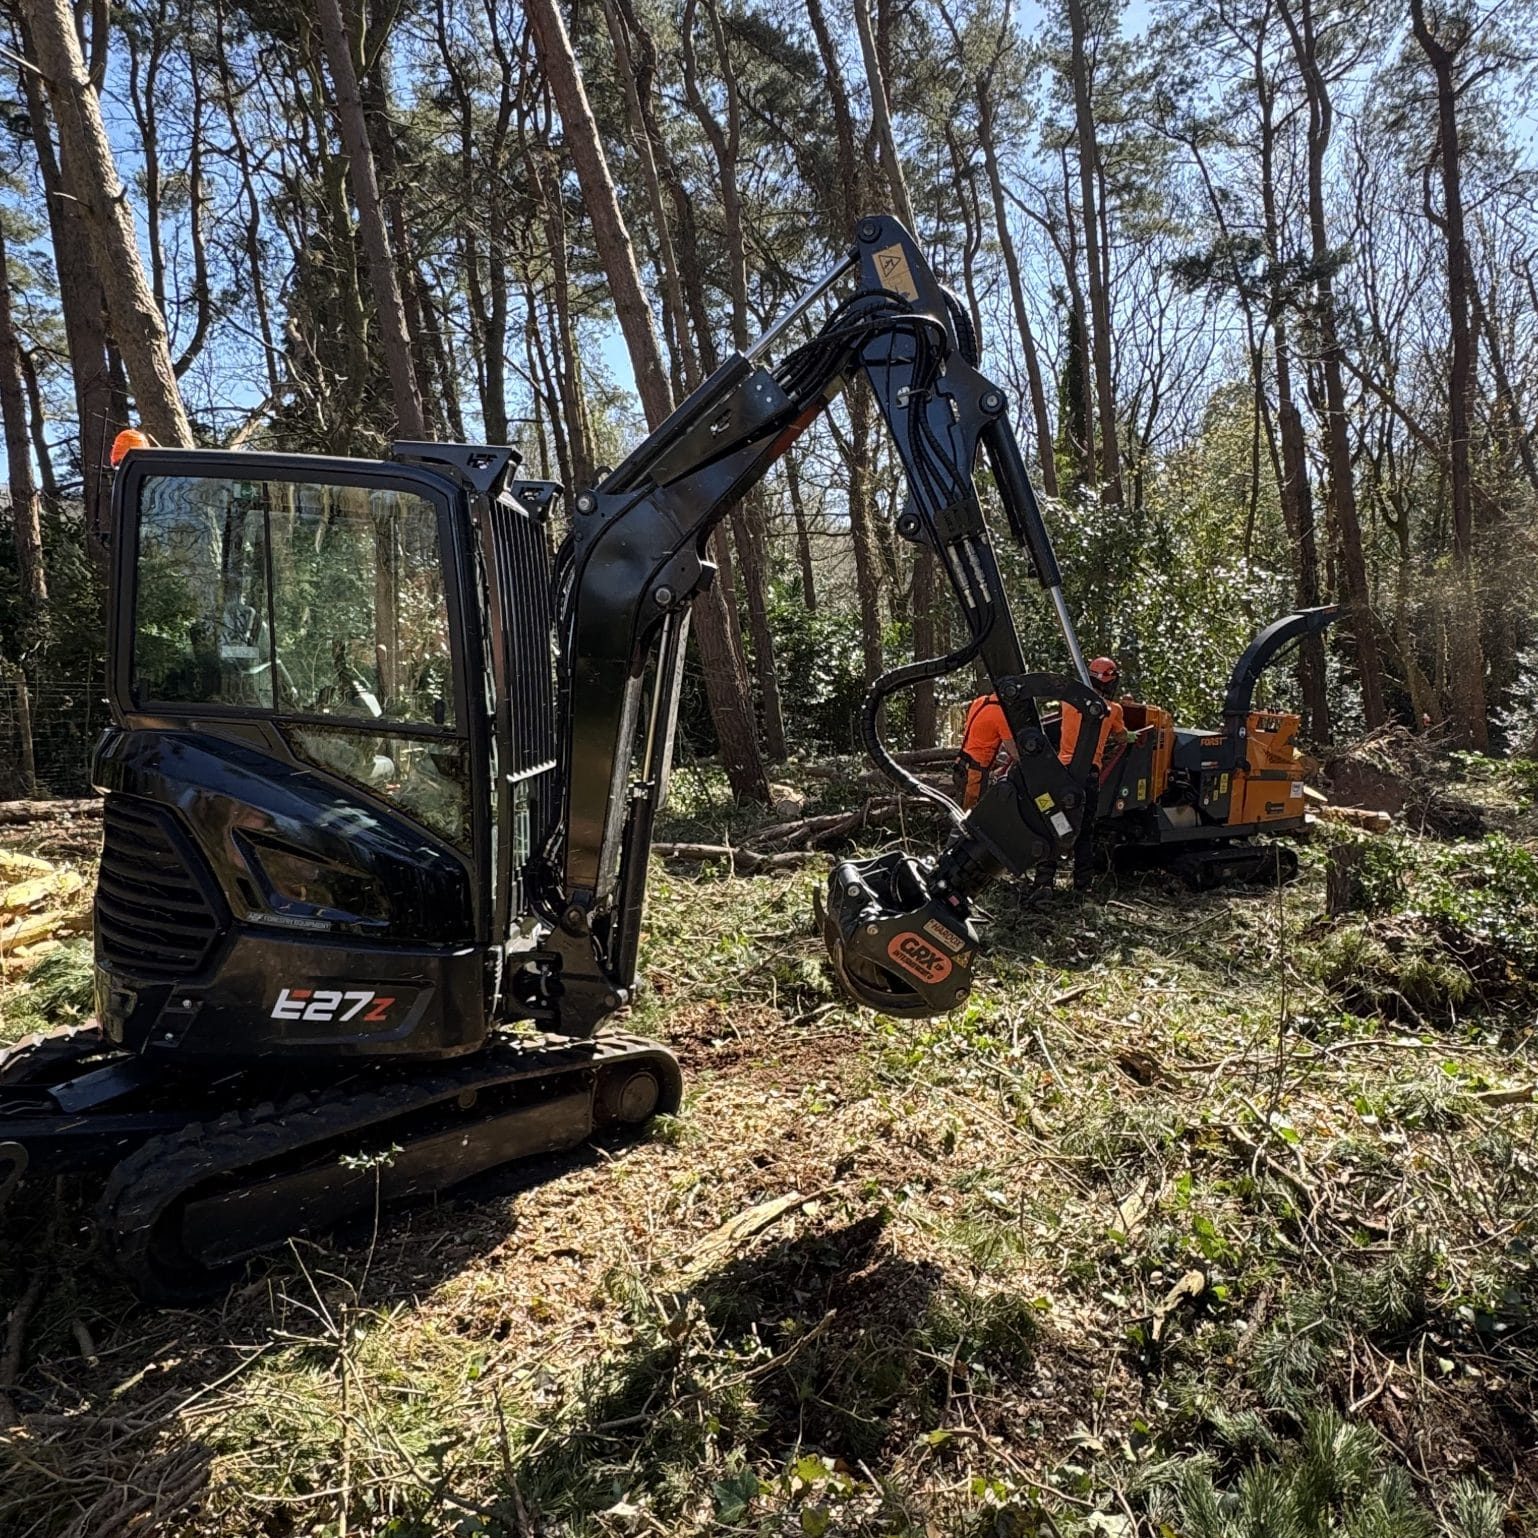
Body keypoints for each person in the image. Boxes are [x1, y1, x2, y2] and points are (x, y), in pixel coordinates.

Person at [1031, 655, 1135, 898]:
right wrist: (1129, 736)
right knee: (1084, 830)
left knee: (1054, 822)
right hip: (1087, 776)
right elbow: (1121, 737)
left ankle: (1044, 881)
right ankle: (1082, 885)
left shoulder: (1069, 703)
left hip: (1061, 771)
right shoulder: (1113, 710)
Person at [953, 692, 1016, 809]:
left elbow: (983, 733)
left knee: (959, 810)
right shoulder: (1000, 714)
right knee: (972, 814)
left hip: (962, 762)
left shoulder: (980, 701)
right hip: (976, 771)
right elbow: (1014, 752)